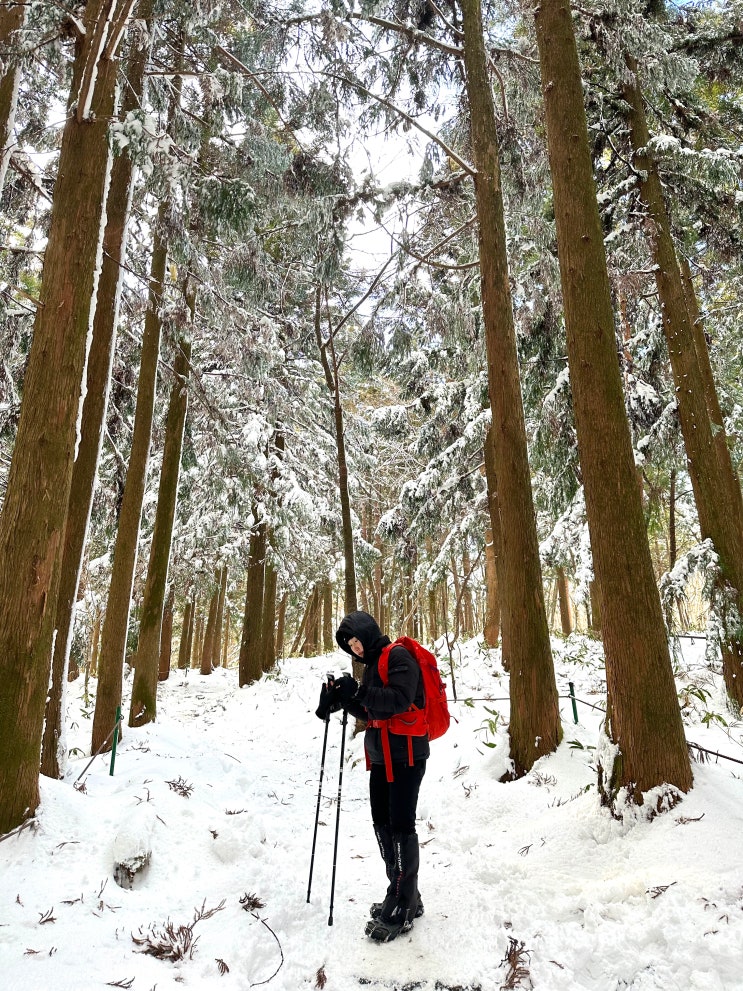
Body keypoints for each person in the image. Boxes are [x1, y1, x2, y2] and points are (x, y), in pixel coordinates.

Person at [315, 610, 428, 942]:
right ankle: (404, 892)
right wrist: (342, 697)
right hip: (381, 756)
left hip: (406, 755)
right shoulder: (371, 668)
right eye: (349, 645)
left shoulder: (398, 656)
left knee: (401, 826)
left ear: (367, 632)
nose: (356, 648)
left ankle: (403, 906)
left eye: (356, 640)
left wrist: (359, 691)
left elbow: (397, 701)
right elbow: (370, 711)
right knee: (382, 822)